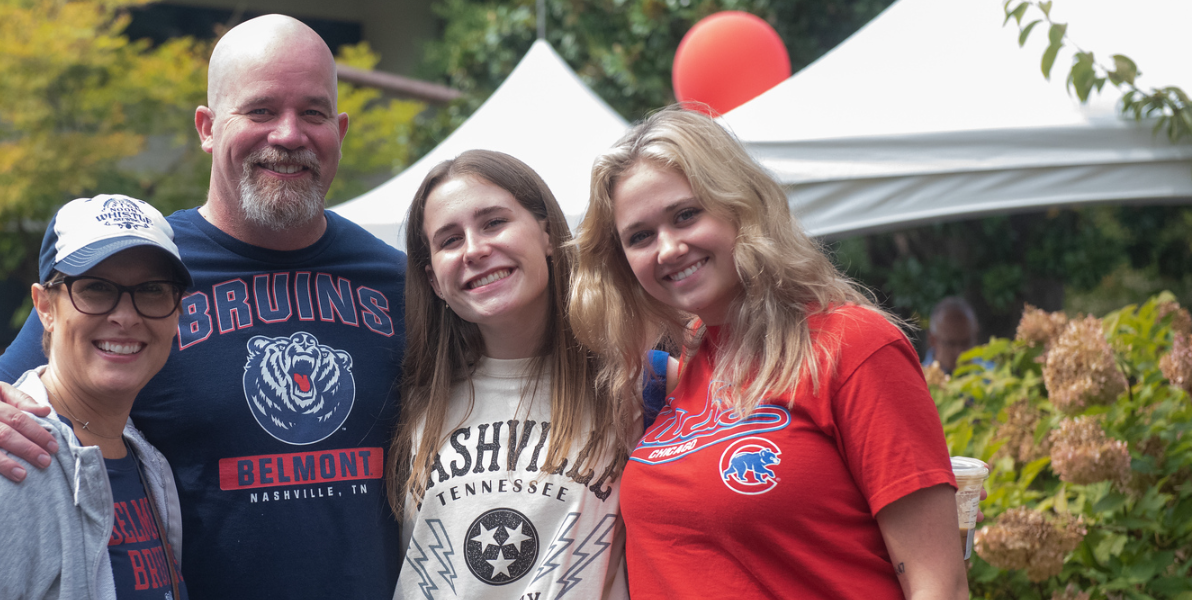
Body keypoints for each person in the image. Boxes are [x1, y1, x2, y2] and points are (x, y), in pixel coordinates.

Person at [0, 15, 406, 598]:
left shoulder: (398, 282)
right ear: (208, 126)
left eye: (313, 113)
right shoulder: (138, 277)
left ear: (339, 130)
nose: (289, 134)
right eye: (262, 110)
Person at [569, 106, 968, 599]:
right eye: (640, 236)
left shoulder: (851, 345)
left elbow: (940, 584)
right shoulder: (685, 366)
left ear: (740, 204)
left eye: (686, 215)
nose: (668, 248)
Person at [389, 150, 652, 600]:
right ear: (435, 281)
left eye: (493, 222)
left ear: (547, 234)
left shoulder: (632, 386)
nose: (474, 249)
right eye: (450, 240)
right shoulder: (412, 403)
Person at [0, 194, 191, 599]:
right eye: (95, 288)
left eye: (152, 290)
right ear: (45, 307)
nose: (126, 316)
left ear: (178, 312)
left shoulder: (142, 460)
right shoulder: (0, 467)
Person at [924, 296, 980, 371]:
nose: (960, 353)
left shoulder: (993, 376)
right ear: (933, 340)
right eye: (951, 344)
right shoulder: (917, 379)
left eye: (966, 343)